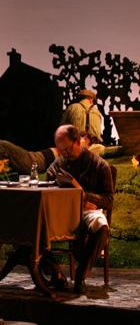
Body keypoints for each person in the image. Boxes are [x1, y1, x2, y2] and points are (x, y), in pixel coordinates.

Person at [46, 124, 114, 294]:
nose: (64, 154)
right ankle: (56, 273)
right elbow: (49, 178)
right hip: (63, 209)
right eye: (60, 150)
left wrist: (85, 197)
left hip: (87, 210)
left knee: (101, 226)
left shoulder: (99, 165)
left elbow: (108, 201)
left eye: (67, 149)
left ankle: (80, 275)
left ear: (78, 141)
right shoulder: (61, 161)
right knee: (35, 223)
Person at [0, 133, 111, 175]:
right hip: (35, 156)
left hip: (36, 162)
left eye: (84, 138)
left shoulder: (87, 150)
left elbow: (101, 149)